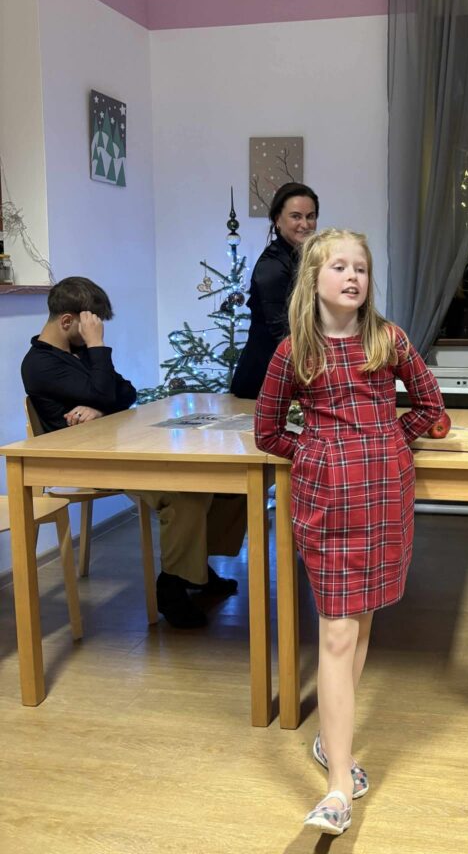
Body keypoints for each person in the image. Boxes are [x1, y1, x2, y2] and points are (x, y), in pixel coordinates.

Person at [254, 228, 444, 835]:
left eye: (360, 267)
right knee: (338, 630)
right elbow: (267, 432)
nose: (352, 277)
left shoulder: (389, 340)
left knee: (359, 625)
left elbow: (432, 408)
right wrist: (318, 453)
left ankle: (329, 743)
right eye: (339, 266)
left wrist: (387, 442)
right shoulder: (294, 352)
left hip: (384, 495)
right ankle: (339, 784)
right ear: (314, 278)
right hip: (328, 501)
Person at [21, 276, 247, 629]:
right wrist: (97, 350)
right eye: (90, 326)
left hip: (112, 448)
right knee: (186, 498)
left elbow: (125, 392)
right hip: (83, 461)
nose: (95, 334)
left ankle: (193, 569)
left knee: (227, 486)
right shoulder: (40, 364)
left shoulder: (80, 354)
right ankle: (172, 587)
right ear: (67, 321)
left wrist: (98, 406)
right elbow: (106, 392)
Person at [230, 182, 319, 399]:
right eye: (296, 216)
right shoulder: (271, 266)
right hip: (264, 382)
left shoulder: (303, 257)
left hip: (289, 376)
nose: (305, 224)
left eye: (310, 216)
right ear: (278, 220)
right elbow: (283, 332)